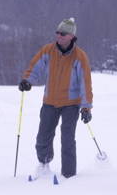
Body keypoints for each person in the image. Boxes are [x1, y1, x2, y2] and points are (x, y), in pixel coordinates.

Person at [19, 18, 93, 179]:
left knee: (67, 138)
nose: (58, 36)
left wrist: (86, 107)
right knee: (43, 137)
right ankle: (44, 164)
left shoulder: (80, 57)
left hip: (71, 104)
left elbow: (85, 83)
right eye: (57, 32)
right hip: (50, 101)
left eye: (63, 33)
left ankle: (68, 174)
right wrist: (27, 80)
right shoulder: (48, 50)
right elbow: (35, 66)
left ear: (71, 36)